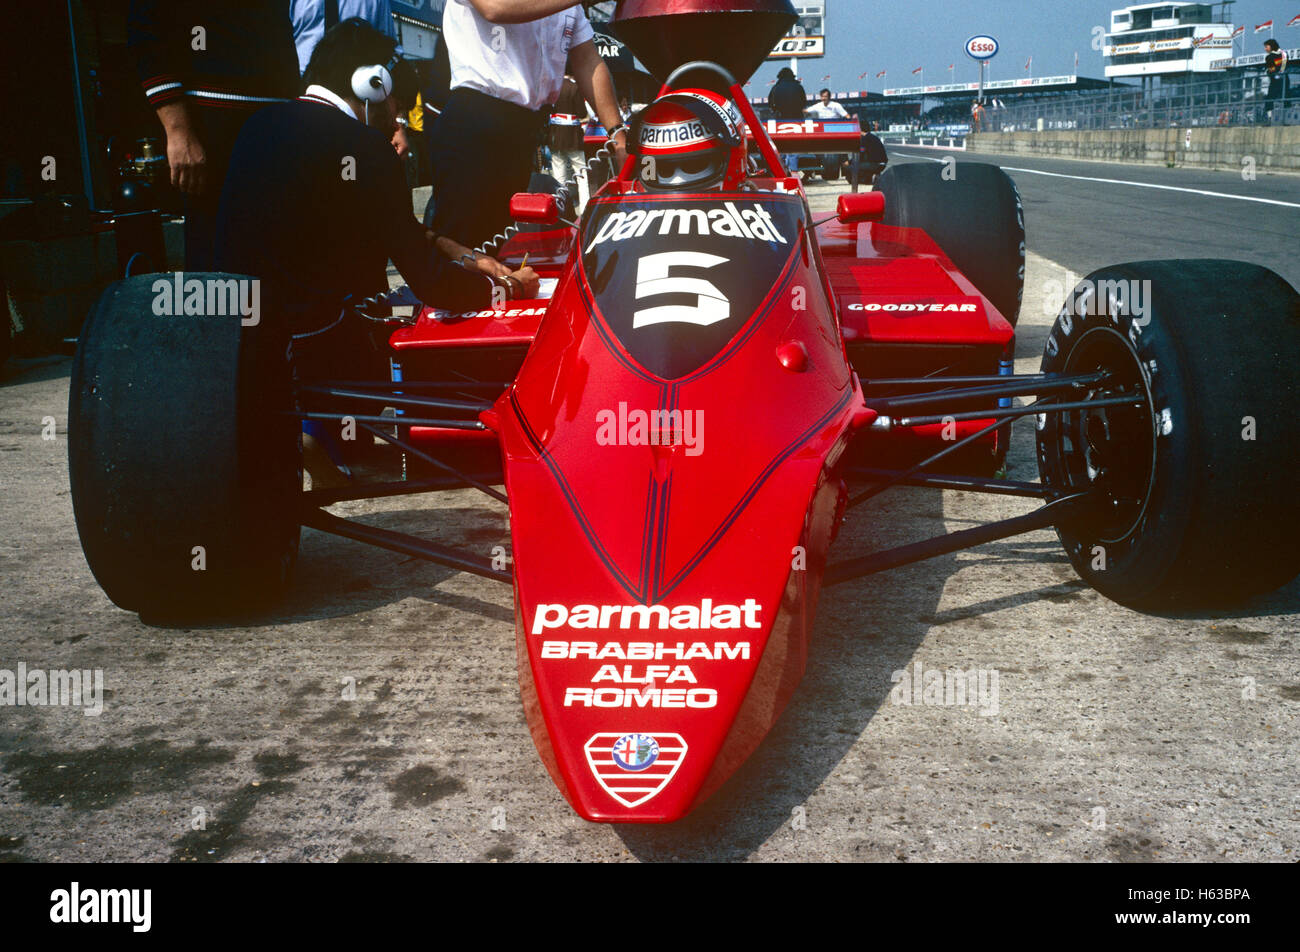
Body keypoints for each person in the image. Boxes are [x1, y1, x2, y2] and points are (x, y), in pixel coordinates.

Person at [214, 20, 537, 343]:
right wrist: (509, 287)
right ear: (372, 84)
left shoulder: (255, 126)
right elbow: (433, 285)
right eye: (398, 104)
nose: (397, 118)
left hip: (240, 346)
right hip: (321, 350)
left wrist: (449, 246)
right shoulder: (365, 147)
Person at [429, 0, 627, 261]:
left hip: (525, 130)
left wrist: (617, 133)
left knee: (495, 253)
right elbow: (494, 7)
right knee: (459, 251)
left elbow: (587, 59)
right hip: (474, 123)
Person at [127, 0, 300, 270]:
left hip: (280, 126)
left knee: (281, 261)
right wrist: (178, 131)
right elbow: (147, 33)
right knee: (216, 269)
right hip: (215, 131)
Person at [290, 0, 412, 157]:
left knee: (350, 174)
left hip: (358, 107)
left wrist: (398, 122)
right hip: (301, 102)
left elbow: (390, 60)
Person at [549, 72, 590, 215]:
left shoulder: (551, 87)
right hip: (573, 138)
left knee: (558, 176)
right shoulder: (574, 87)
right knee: (582, 174)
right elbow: (582, 112)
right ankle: (585, 209)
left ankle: (560, 209)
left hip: (555, 136)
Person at [1264, 39, 1290, 123]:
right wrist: (1277, 69)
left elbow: (1273, 68)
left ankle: (1285, 118)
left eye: (1266, 47)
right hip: (1281, 79)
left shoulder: (1280, 55)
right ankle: (1272, 118)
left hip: (1278, 81)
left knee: (1282, 97)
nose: (1265, 49)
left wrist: (1275, 70)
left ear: (1271, 46)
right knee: (1272, 98)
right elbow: (1275, 68)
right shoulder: (1283, 54)